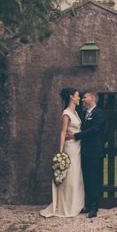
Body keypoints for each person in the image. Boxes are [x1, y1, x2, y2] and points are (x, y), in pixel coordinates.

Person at [40, 88, 85, 218]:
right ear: (71, 97)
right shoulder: (66, 113)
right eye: (77, 96)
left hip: (77, 146)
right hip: (70, 148)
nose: (79, 98)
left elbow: (76, 130)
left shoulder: (75, 112)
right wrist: (60, 151)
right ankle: (67, 206)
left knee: (76, 175)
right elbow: (63, 132)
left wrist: (77, 135)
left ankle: (76, 204)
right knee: (70, 176)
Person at [67, 91, 106, 218]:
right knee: (87, 179)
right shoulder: (84, 114)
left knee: (95, 180)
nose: (83, 100)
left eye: (85, 97)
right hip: (84, 152)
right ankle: (88, 205)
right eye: (82, 97)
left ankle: (94, 208)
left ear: (93, 98)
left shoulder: (99, 113)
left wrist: (76, 136)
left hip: (95, 152)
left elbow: (94, 130)